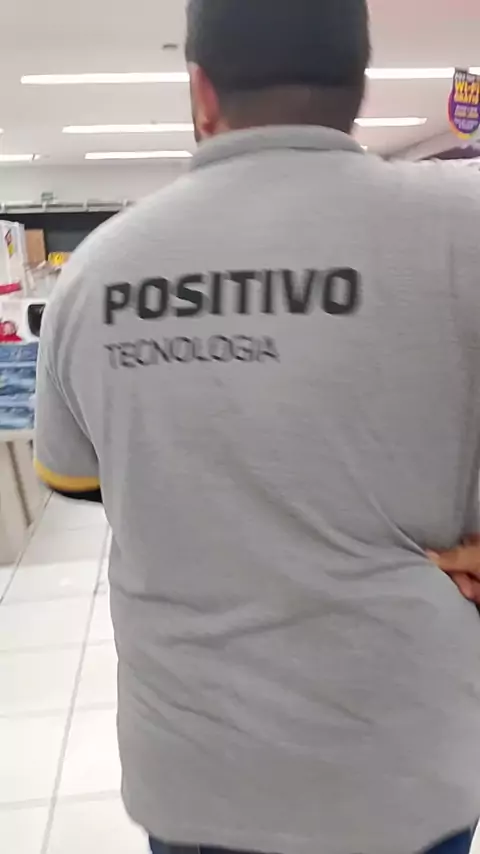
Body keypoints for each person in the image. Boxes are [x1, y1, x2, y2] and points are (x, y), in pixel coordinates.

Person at [34, 1, 480, 853]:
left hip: (195, 770)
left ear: (201, 91)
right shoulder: (464, 229)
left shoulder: (97, 272)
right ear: (360, 85)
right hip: (404, 764)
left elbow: (75, 478)